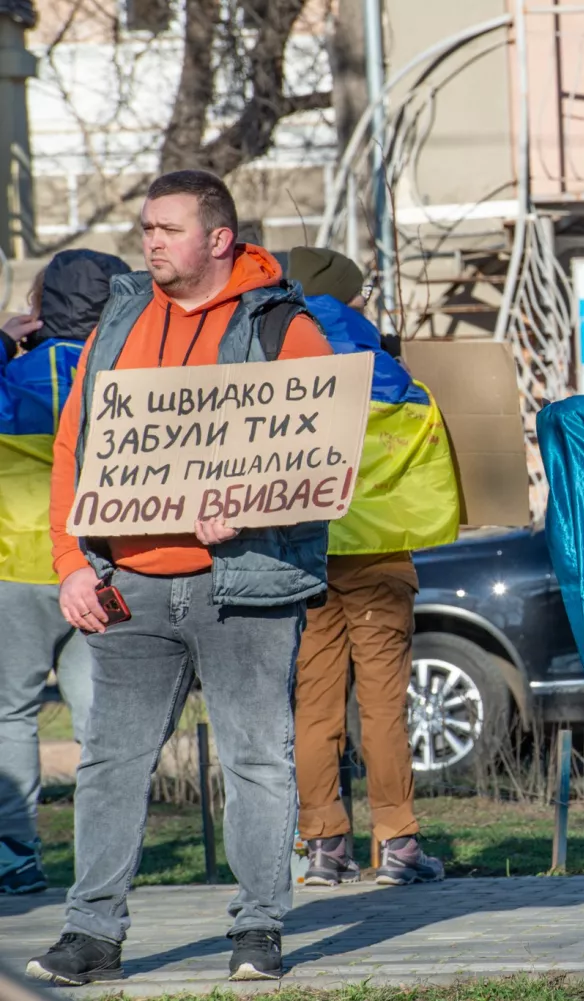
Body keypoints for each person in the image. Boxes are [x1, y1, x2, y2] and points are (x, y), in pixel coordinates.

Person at [26, 170, 334, 987]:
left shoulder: (282, 324)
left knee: (256, 759)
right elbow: (72, 447)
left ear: (220, 237)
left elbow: (326, 453)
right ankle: (92, 934)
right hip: (130, 583)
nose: (149, 240)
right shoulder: (120, 318)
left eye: (165, 227)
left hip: (246, 584)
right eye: (145, 227)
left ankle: (259, 928)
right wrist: (70, 563)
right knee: (109, 762)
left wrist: (251, 499)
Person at [284, 246, 452, 887]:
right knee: (384, 707)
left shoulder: (275, 348)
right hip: (379, 554)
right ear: (352, 297)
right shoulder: (382, 363)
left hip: (304, 551)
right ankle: (398, 846)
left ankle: (324, 846)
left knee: (314, 707)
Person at [0, 251, 128, 895]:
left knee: (9, 714)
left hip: (14, 562)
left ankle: (16, 860)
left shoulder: (14, 376)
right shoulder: (128, 376)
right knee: (102, 719)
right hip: (105, 564)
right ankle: (107, 858)